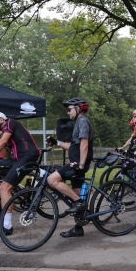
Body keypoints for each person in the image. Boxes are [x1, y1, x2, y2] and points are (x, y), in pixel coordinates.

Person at [0, 112, 40, 238]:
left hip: (27, 156)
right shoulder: (4, 132)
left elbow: (3, 142)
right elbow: (5, 156)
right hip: (17, 158)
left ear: (0, 119)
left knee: (3, 188)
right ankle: (11, 187)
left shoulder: (11, 122)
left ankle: (6, 226)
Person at [45, 98, 94, 238]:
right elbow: (73, 146)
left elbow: (84, 144)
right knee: (76, 194)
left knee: (52, 180)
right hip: (77, 163)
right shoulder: (78, 123)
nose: (68, 112)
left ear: (78, 109)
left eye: (70, 109)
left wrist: (81, 164)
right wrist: (56, 142)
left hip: (77, 164)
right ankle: (78, 228)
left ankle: (79, 203)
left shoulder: (83, 122)